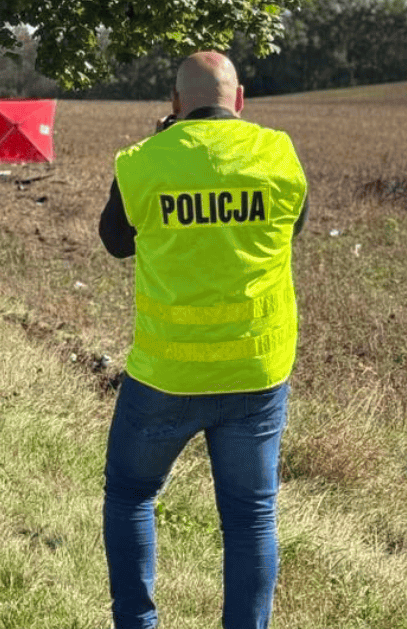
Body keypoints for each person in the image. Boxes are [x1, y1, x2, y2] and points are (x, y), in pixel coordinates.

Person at [97, 51, 309, 629]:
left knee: (131, 496)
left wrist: (164, 152)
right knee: (251, 520)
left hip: (166, 376)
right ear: (239, 101)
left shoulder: (144, 162)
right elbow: (292, 226)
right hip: (255, 372)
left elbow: (115, 242)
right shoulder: (277, 154)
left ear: (174, 104)